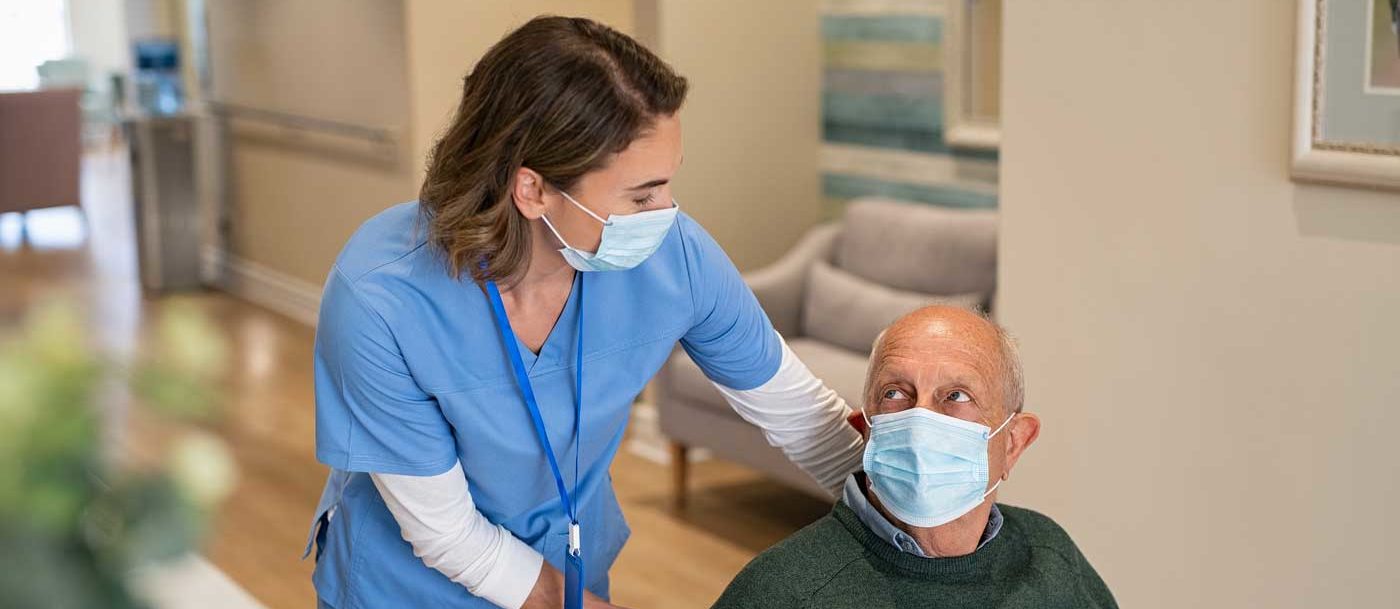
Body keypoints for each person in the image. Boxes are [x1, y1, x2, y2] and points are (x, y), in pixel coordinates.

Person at [303, 15, 865, 609]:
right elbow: (447, 535)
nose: (667, 212)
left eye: (668, 185)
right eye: (642, 194)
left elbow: (806, 420)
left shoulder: (675, 255)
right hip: (409, 585)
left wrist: (928, 527)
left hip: (565, 566)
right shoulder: (382, 299)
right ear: (533, 190)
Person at [712, 306, 1117, 609]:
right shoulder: (781, 593)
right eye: (895, 393)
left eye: (956, 396)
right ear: (865, 427)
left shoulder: (1050, 556)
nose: (920, 419)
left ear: (1014, 442)